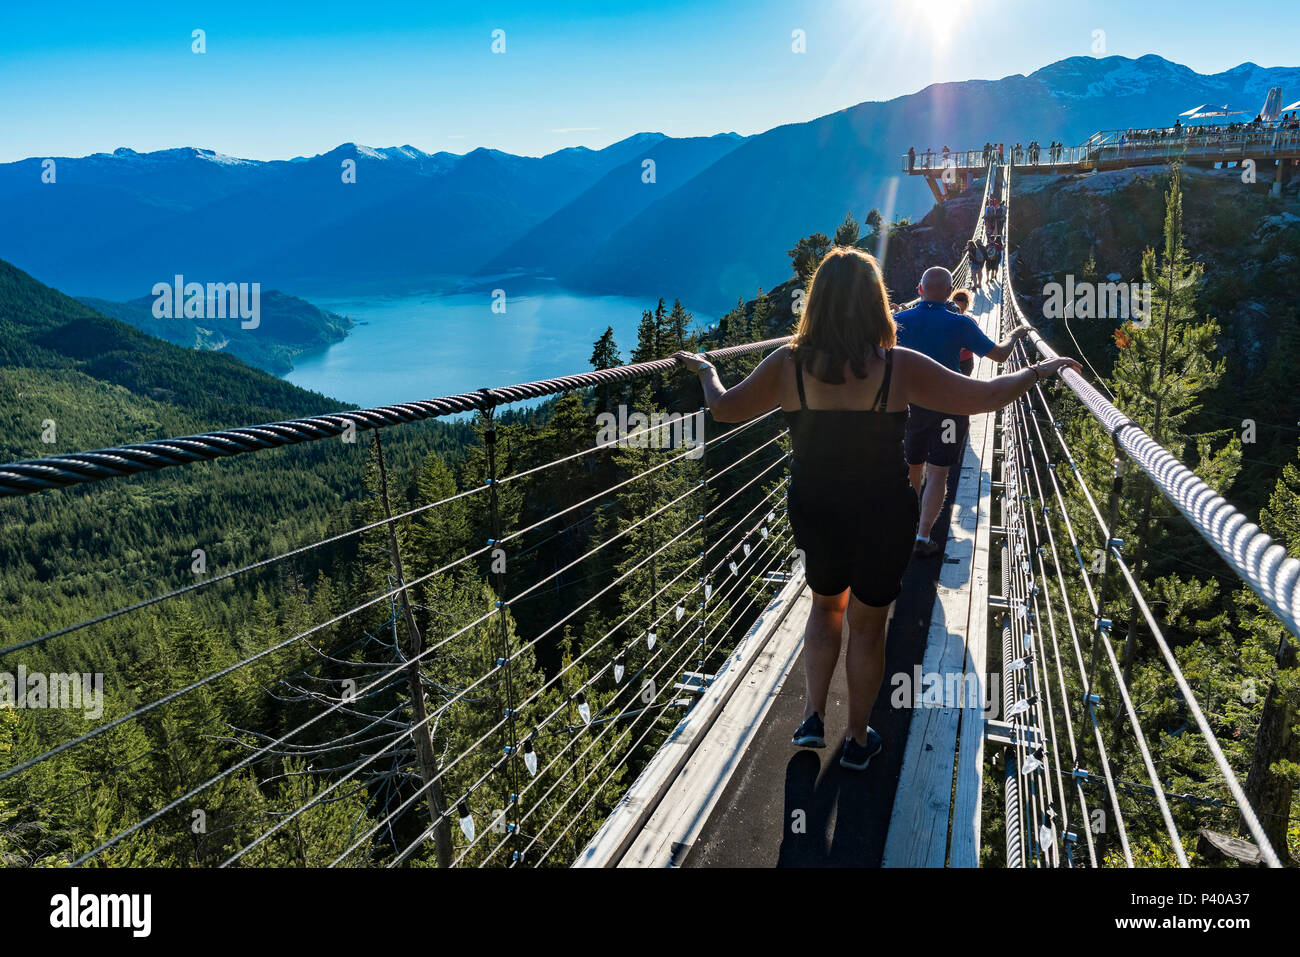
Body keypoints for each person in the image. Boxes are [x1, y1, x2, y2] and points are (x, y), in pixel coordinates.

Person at [671, 248, 1078, 770]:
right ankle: (858, 740)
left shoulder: (787, 363)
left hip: (816, 505)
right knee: (867, 625)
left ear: (815, 303)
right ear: (876, 304)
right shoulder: (897, 366)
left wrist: (707, 371)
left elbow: (724, 409)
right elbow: (981, 396)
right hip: (883, 510)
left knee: (824, 609)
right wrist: (1038, 372)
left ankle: (813, 717)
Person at [894, 265, 1031, 558]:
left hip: (909, 407)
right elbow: (1000, 355)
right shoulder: (962, 323)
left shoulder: (897, 322)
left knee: (913, 469)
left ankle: (903, 528)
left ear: (919, 290)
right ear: (949, 294)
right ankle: (922, 536)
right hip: (950, 407)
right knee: (939, 472)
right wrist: (1015, 335)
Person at [951, 289, 976, 375]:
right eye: (957, 309)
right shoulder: (971, 321)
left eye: (960, 310)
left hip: (961, 362)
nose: (958, 313)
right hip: (960, 361)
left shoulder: (971, 322)